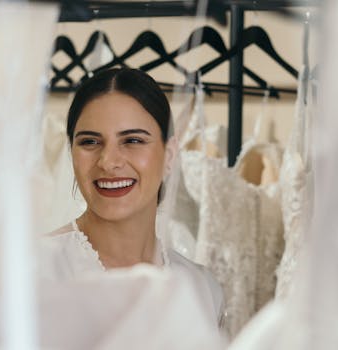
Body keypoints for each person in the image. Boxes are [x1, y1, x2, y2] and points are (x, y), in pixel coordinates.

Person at [40, 67, 225, 328]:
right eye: (90, 142)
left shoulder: (202, 289)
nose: (108, 162)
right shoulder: (35, 271)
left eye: (133, 140)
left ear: (169, 154)